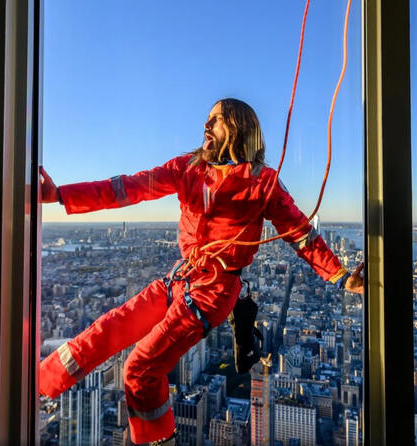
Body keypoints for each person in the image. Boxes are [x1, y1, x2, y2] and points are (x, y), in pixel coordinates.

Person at [40, 98, 364, 446]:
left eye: (217, 120)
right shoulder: (189, 168)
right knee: (106, 330)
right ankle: (38, 384)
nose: (206, 126)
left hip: (215, 290)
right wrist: (60, 195)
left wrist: (341, 276)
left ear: (239, 128)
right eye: (207, 120)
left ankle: (157, 441)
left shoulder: (262, 182)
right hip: (182, 277)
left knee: (140, 367)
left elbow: (301, 234)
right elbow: (129, 188)